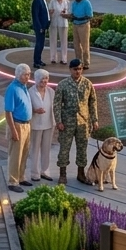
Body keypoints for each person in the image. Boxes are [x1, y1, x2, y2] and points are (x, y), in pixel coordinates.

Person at [54, 58, 98, 186]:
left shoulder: (87, 84)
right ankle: (62, 175)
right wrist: (58, 121)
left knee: (82, 149)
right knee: (64, 149)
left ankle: (81, 173)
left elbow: (93, 102)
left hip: (83, 123)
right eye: (75, 69)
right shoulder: (63, 84)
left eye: (80, 69)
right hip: (67, 123)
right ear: (70, 70)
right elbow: (57, 104)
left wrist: (95, 120)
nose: (78, 72)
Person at [4, 62, 33, 193]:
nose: (28, 77)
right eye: (26, 75)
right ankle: (12, 181)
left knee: (24, 153)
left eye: (29, 74)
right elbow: (8, 112)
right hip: (17, 124)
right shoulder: (12, 89)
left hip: (27, 124)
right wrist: (13, 130)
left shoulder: (24, 87)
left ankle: (21, 177)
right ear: (19, 75)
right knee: (15, 154)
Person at [28, 68, 56, 182]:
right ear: (36, 79)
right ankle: (35, 173)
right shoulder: (30, 91)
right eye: (42, 79)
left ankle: (45, 171)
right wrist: (35, 110)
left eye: (46, 78)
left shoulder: (51, 91)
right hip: (35, 124)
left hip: (49, 124)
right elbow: (27, 108)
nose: (44, 81)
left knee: (46, 148)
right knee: (34, 149)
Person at [70, 0, 94, 69]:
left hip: (84, 25)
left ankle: (86, 63)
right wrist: (70, 16)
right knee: (76, 44)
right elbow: (72, 14)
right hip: (75, 25)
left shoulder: (86, 3)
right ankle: (78, 61)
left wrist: (79, 18)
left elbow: (90, 16)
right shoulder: (74, 3)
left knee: (85, 45)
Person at [31, 0, 51, 68]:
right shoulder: (37, 0)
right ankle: (36, 62)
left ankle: (39, 60)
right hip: (40, 28)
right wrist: (40, 27)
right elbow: (35, 15)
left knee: (41, 44)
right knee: (39, 44)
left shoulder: (43, 0)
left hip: (44, 27)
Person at [48, 0, 70, 65]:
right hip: (54, 23)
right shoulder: (52, 2)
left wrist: (65, 14)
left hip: (63, 23)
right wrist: (51, 12)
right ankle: (53, 58)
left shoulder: (66, 2)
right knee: (53, 40)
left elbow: (69, 13)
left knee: (64, 41)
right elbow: (49, 12)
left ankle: (64, 59)